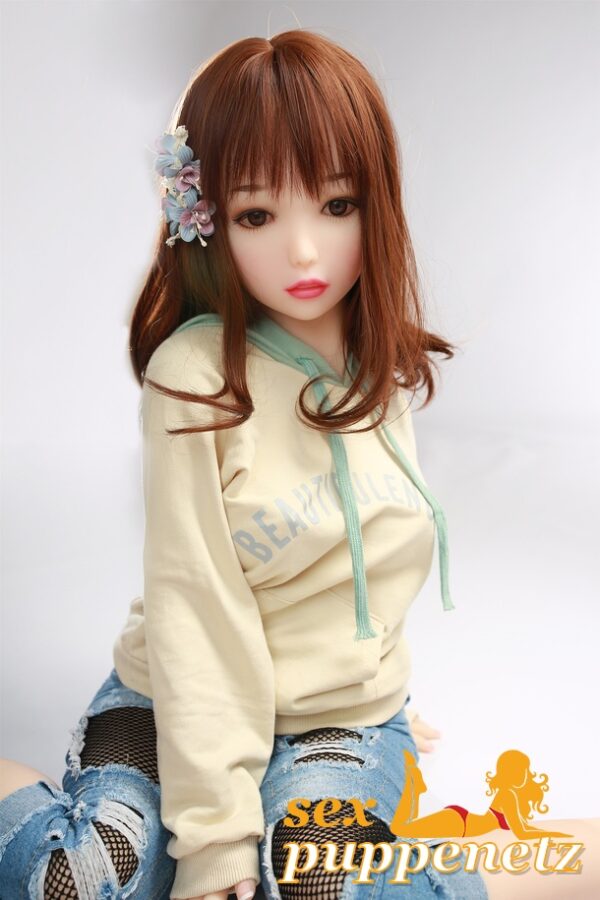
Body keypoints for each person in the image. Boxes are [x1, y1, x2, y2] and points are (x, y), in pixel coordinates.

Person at [2, 28, 598, 900]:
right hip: (174, 698)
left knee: (320, 886)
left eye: (336, 204)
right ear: (208, 221)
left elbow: (366, 551)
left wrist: (373, 694)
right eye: (257, 216)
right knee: (80, 880)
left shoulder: (373, 357)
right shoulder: (195, 379)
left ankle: (544, 859)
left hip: (333, 723)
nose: (306, 253)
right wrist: (214, 837)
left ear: (374, 204)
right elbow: (197, 606)